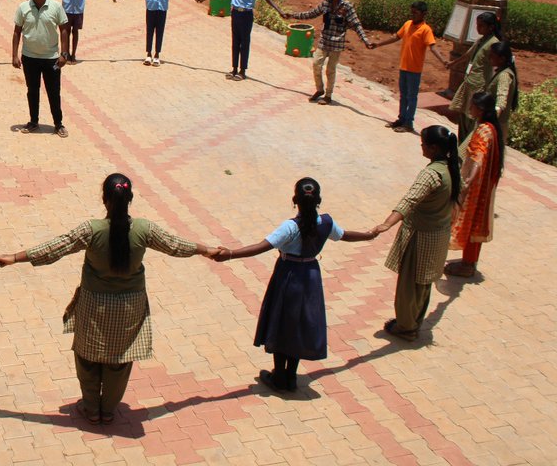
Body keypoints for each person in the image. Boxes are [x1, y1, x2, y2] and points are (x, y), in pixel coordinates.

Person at [0, 174, 219, 424]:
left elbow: (56, 247)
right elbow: (176, 245)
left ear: (104, 199)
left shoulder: (91, 230)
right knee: (119, 360)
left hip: (94, 305)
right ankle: (109, 410)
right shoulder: (145, 229)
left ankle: (91, 409)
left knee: (87, 357)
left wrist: (14, 257)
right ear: (130, 198)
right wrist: (207, 250)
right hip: (130, 307)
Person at [210, 178, 378, 392]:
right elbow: (345, 235)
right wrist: (369, 235)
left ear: (294, 200)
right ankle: (291, 376)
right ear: (319, 200)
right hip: (310, 276)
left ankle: (279, 377)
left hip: (288, 275)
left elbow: (262, 247)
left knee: (282, 322)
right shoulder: (326, 223)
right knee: (299, 324)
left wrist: (230, 254)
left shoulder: (290, 227)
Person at [371, 125, 461, 341]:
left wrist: (386, 224)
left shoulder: (431, 174)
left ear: (433, 148)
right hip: (438, 236)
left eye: (423, 144)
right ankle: (414, 321)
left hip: (420, 237)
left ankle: (406, 326)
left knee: (409, 285)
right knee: (423, 283)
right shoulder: (452, 167)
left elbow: (410, 200)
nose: (421, 147)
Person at [283, 0, 374, 106]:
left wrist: (365, 40)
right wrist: (292, 15)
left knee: (330, 70)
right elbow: (311, 14)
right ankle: (319, 89)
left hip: (337, 44)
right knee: (316, 64)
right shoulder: (326, 3)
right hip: (324, 41)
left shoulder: (347, 6)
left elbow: (356, 24)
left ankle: (328, 95)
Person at [445, 92, 506, 279]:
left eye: (472, 105)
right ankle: (469, 261)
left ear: (480, 109)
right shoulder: (490, 128)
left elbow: (478, 157)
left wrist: (468, 182)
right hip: (483, 184)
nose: (469, 108)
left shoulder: (484, 131)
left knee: (471, 221)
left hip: (477, 186)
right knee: (476, 222)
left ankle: (468, 265)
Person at [201, 0, 285, 80]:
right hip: (235, 13)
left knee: (245, 43)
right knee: (235, 42)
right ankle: (234, 69)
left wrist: (279, 11)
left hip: (247, 15)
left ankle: (242, 71)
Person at [370, 1, 445, 133]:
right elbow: (396, 37)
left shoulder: (426, 30)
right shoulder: (407, 24)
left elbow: (432, 47)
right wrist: (378, 44)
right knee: (403, 95)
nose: (413, 15)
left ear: (424, 14)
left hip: (414, 70)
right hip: (404, 67)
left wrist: (443, 61)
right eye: (412, 12)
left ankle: (409, 123)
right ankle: (401, 119)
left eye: (416, 12)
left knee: (411, 97)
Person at [12, 0, 71, 138]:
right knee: (32, 91)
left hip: (52, 59)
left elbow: (64, 30)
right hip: (29, 57)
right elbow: (17, 31)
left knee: (54, 92)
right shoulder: (23, 7)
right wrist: (14, 55)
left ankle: (58, 124)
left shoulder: (56, 7)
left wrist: (64, 54)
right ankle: (33, 121)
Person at [446, 12, 502, 139]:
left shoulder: (494, 43)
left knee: (472, 118)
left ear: (491, 27)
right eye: (477, 25)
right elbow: (468, 55)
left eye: (481, 26)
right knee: (463, 115)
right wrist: (453, 63)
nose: (478, 28)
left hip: (479, 86)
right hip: (469, 82)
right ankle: (461, 144)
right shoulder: (480, 41)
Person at [47, 0, 114, 63]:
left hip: (78, 12)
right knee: (66, 33)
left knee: (75, 32)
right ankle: (66, 55)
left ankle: (73, 55)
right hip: (66, 11)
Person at [484, 42, 519, 139]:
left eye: (492, 56)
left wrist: (490, 121)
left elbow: (501, 100)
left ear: (502, 59)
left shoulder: (504, 76)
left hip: (496, 126)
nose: (489, 57)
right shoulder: (502, 71)